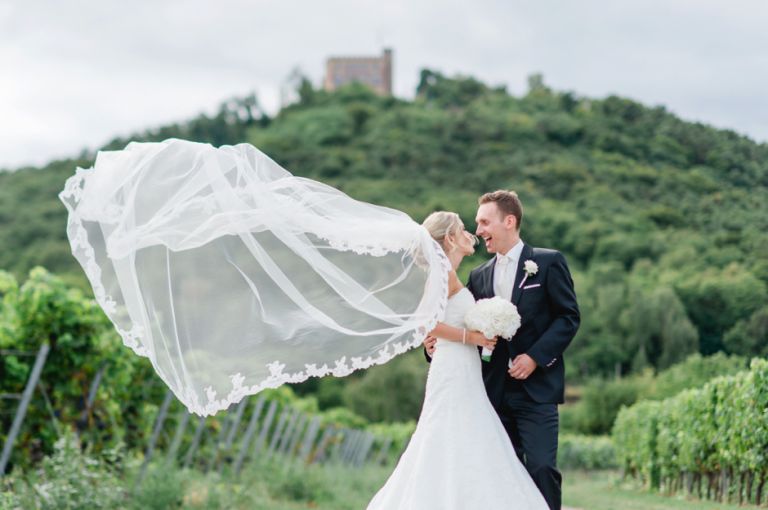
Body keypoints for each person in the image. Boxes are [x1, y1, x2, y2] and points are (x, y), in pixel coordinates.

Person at [368, 211, 549, 510]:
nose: (471, 234)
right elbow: (426, 324)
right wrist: (473, 338)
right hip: (452, 369)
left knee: (468, 432)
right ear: (450, 238)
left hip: (464, 368)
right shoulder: (442, 275)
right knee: (450, 431)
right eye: (464, 229)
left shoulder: (450, 274)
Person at [426, 191, 580, 510]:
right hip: (490, 393)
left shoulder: (548, 263)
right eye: (477, 223)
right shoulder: (478, 275)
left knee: (541, 467)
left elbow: (568, 317)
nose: (479, 230)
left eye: (485, 222)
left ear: (509, 221)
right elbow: (457, 322)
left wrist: (535, 357)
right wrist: (432, 348)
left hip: (537, 391)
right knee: (498, 478)